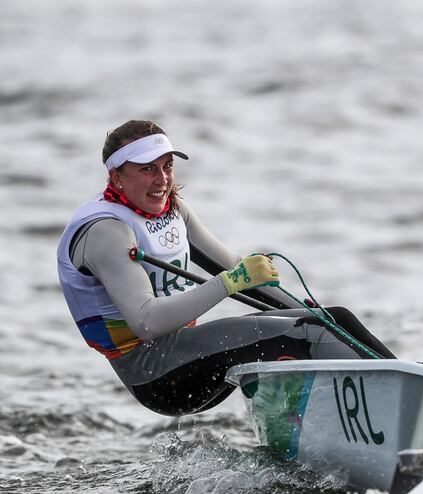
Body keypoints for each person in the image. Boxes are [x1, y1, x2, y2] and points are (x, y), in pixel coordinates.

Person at [57, 120, 394, 416]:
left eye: (167, 166)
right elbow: (147, 321)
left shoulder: (173, 210)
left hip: (186, 352)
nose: (161, 179)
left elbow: (234, 269)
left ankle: (414, 386)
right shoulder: (105, 232)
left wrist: (308, 311)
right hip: (155, 375)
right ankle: (394, 406)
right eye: (147, 169)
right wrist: (228, 283)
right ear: (116, 176)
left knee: (333, 318)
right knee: (307, 334)